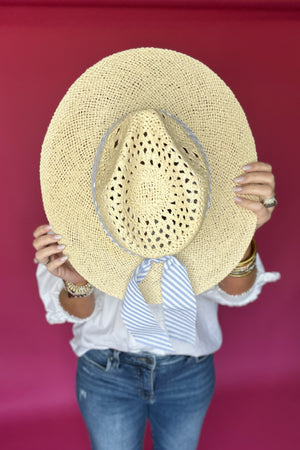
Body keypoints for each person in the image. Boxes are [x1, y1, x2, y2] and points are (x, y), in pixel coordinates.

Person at [33, 49, 280, 450]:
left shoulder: (202, 201)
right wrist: (78, 280)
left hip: (188, 369)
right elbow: (76, 309)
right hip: (106, 368)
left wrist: (240, 231)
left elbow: (236, 290)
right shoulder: (73, 215)